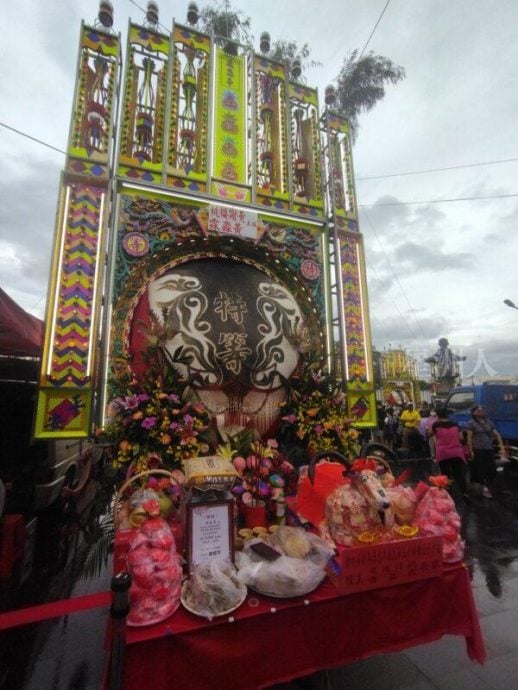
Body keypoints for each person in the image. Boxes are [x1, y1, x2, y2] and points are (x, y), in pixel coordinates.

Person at [466, 405, 506, 499]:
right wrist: (470, 451)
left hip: (488, 449)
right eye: (478, 410)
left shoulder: (489, 422)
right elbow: (469, 438)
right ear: (474, 412)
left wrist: (502, 447)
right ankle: (484, 489)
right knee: (480, 470)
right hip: (478, 449)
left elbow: (497, 435)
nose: (481, 411)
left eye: (482, 409)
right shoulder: (471, 423)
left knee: (491, 469)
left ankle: (486, 485)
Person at [432, 408, 468, 496]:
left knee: (445, 474)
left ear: (438, 416)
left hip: (443, 453)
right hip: (456, 452)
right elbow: (461, 438)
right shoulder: (455, 425)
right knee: (459, 474)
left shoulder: (436, 425)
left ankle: (448, 494)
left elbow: (429, 434)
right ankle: (465, 493)